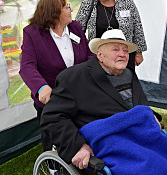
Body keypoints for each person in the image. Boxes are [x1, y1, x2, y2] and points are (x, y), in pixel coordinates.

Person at [40, 29, 157, 169]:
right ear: (100, 55)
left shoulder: (129, 74)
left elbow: (140, 104)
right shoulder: (73, 78)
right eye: (115, 49)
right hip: (110, 142)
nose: (122, 54)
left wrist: (151, 115)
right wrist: (77, 146)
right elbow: (52, 116)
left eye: (125, 50)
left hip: (139, 134)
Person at [19, 0, 94, 151]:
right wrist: (41, 87)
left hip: (79, 94)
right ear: (54, 12)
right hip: (52, 98)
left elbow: (88, 52)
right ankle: (53, 166)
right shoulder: (32, 33)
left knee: (80, 133)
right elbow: (27, 66)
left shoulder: (76, 27)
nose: (71, 9)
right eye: (67, 6)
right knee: (54, 137)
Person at [75, 0, 147, 68]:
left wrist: (139, 53)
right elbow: (78, 29)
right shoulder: (88, 2)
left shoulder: (127, 2)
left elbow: (137, 27)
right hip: (99, 57)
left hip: (123, 56)